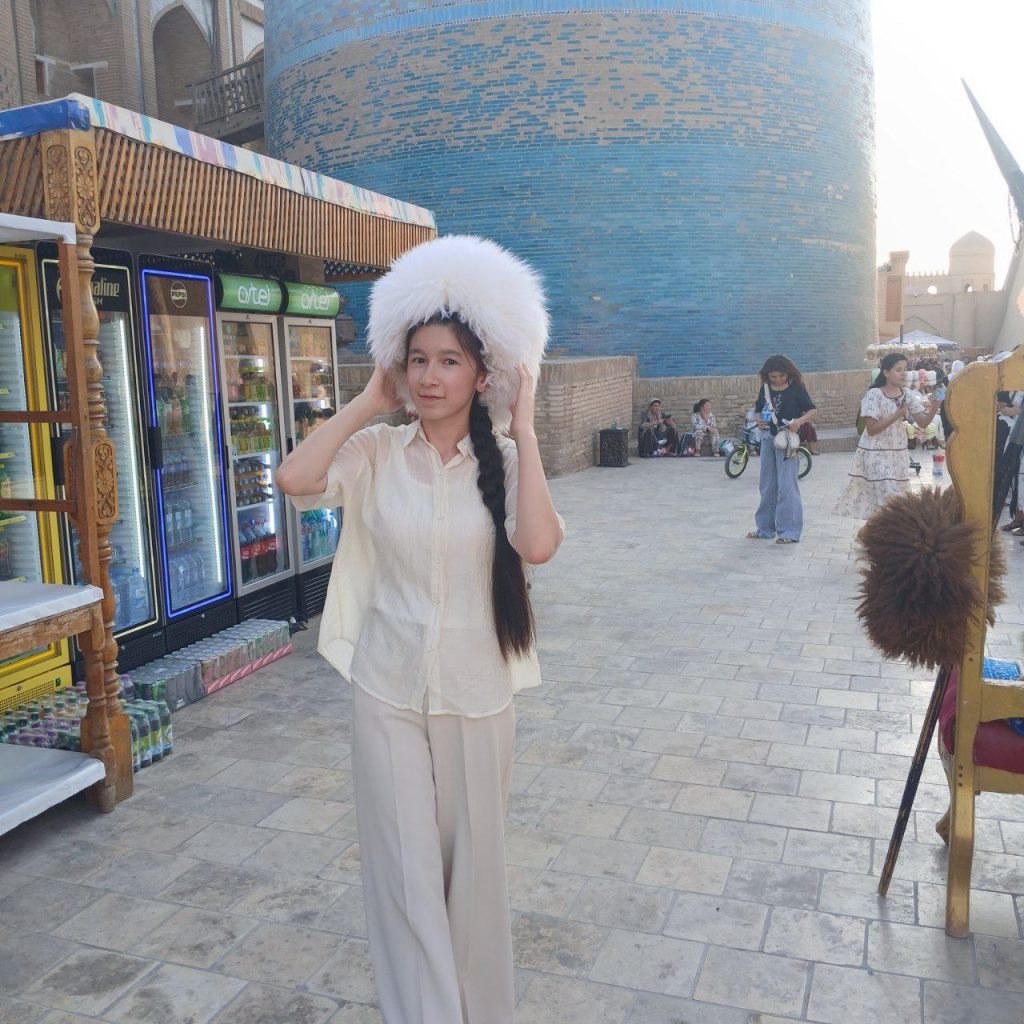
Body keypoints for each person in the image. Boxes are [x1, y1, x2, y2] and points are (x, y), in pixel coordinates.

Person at [275, 236, 564, 1024]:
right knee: (404, 879)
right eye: (417, 360)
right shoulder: (374, 453)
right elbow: (294, 479)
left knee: (473, 881)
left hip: (478, 693)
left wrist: (526, 429)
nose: (430, 377)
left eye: (449, 362)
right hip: (387, 690)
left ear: (481, 373)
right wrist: (370, 401)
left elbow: (537, 544)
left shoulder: (504, 460)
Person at [834, 353, 940, 520]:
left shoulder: (907, 395)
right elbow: (872, 429)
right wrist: (896, 415)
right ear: (886, 372)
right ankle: (878, 537)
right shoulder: (874, 395)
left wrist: (934, 408)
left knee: (892, 503)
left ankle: (873, 537)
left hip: (897, 455)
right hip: (875, 454)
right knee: (887, 498)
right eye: (898, 370)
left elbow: (923, 423)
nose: (904, 373)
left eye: (905, 369)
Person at [747, 354, 817, 544]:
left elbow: (812, 409)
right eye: (773, 376)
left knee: (787, 485)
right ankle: (765, 529)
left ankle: (789, 532)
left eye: (780, 375)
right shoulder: (765, 389)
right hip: (768, 439)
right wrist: (758, 419)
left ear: (787, 373)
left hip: (788, 441)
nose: (777, 379)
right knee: (767, 484)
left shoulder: (796, 388)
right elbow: (758, 408)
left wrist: (799, 422)